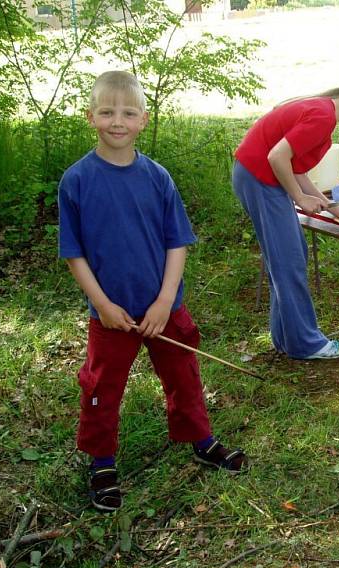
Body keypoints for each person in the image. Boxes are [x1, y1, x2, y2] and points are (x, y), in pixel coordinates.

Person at [58, 71, 248, 512]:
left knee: (183, 373)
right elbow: (74, 254)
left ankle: (200, 439)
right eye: (107, 112)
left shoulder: (158, 178)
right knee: (101, 385)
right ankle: (101, 460)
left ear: (143, 120)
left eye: (128, 113)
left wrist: (165, 301)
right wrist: (102, 304)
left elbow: (175, 243)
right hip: (112, 316)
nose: (117, 121)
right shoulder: (77, 181)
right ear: (91, 117)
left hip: (165, 309)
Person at [233, 78, 339, 359]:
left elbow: (293, 168)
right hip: (259, 179)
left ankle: (286, 338)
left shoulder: (323, 113)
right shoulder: (322, 117)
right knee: (289, 261)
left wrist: (330, 205)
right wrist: (298, 198)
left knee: (291, 256)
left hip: (257, 178)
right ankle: (306, 344)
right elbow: (277, 157)